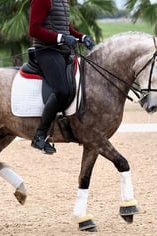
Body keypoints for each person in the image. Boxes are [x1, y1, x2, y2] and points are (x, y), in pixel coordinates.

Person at [29, 0, 95, 154]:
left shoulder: (63, 1)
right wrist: (61, 38)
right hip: (46, 51)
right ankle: (39, 135)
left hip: (63, 52)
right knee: (61, 90)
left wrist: (81, 37)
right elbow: (34, 29)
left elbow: (65, 28)